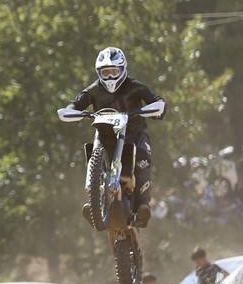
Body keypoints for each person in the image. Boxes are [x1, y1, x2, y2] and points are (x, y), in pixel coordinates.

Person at [58, 46, 166, 227]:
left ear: (123, 69)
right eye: (105, 72)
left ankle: (142, 205)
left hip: (133, 134)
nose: (109, 77)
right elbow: (74, 105)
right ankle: (95, 200)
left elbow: (157, 101)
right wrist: (72, 112)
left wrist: (155, 109)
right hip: (105, 135)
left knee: (142, 158)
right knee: (93, 153)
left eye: (113, 71)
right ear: (98, 72)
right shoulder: (93, 90)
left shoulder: (135, 87)